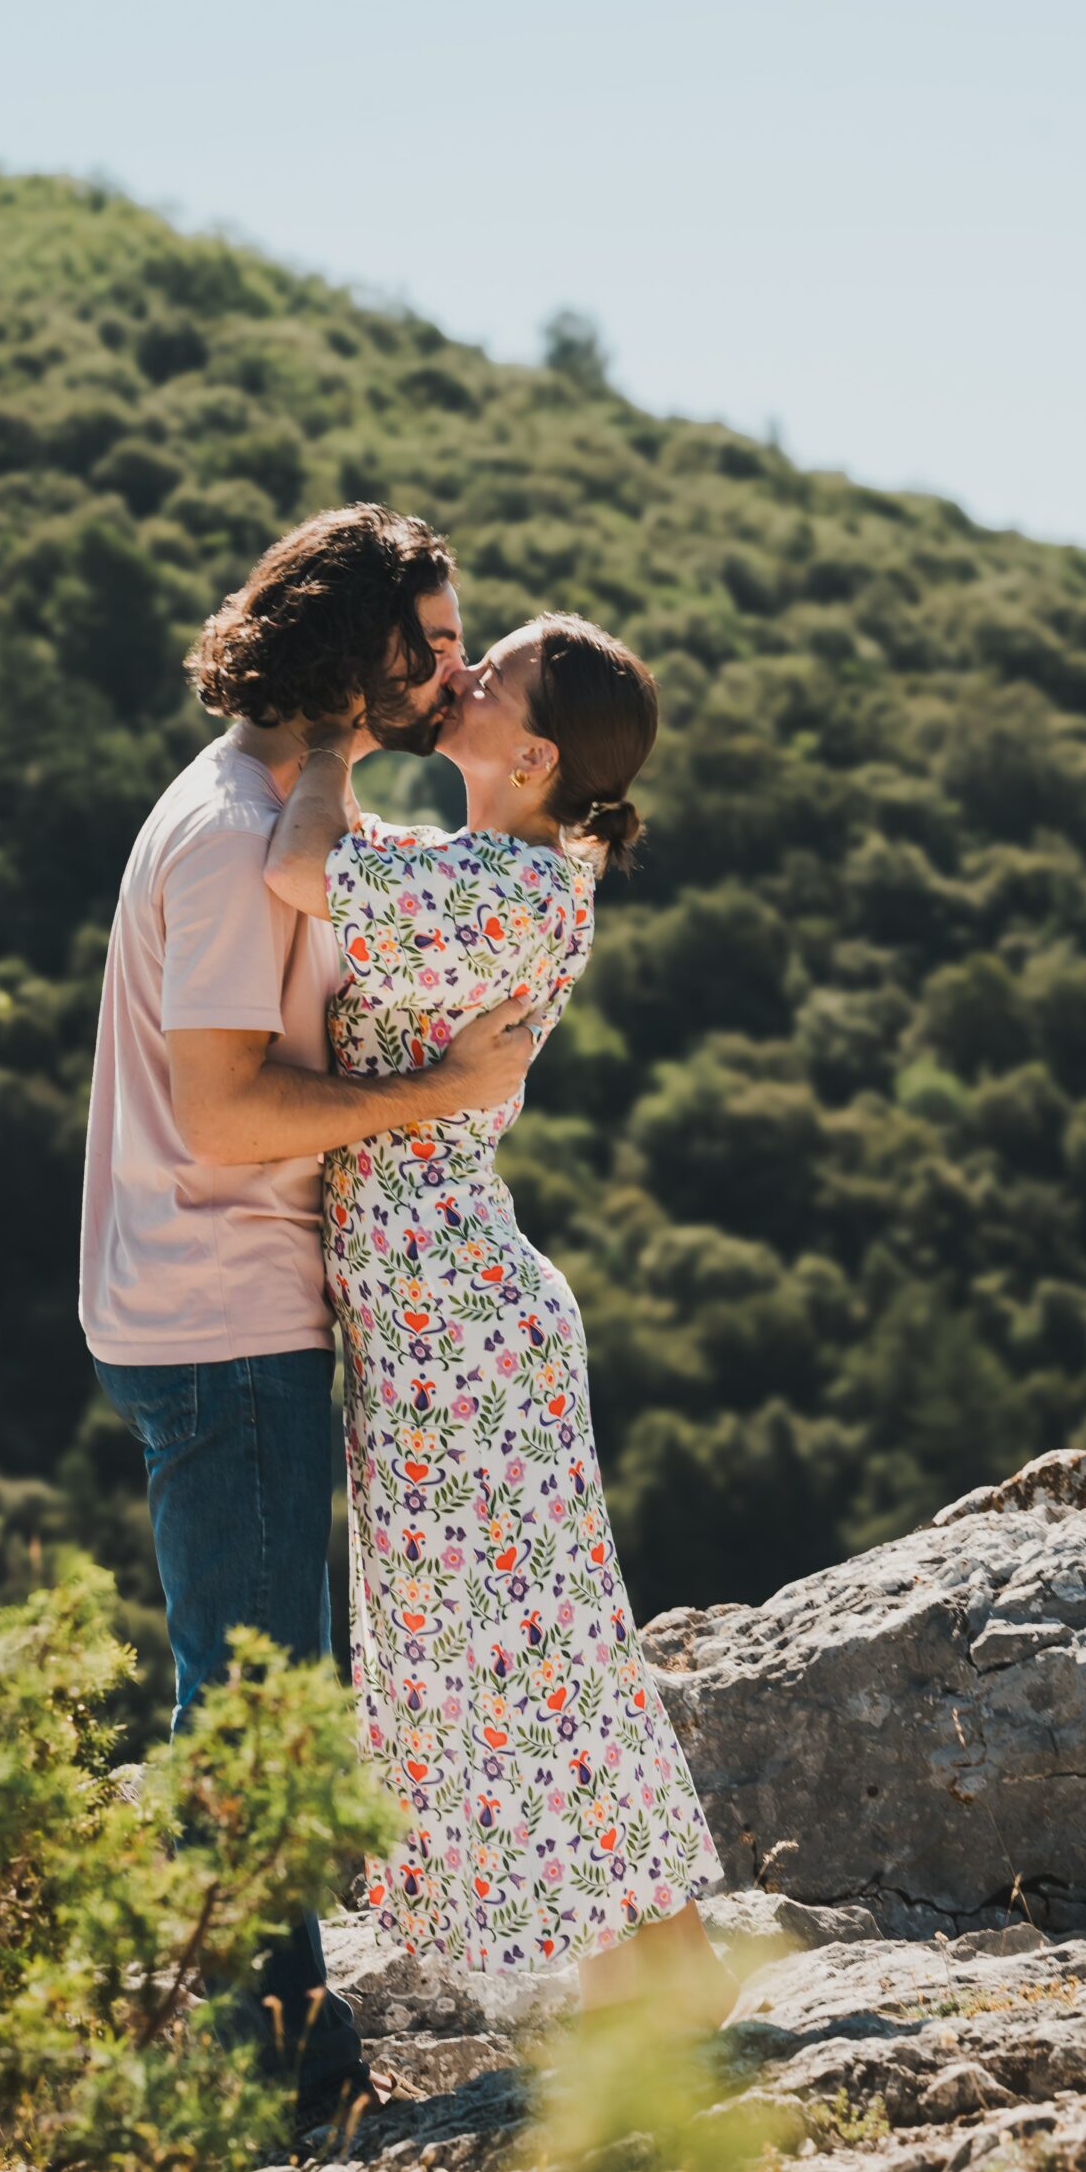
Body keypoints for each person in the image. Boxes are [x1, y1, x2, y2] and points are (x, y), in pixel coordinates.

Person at [77, 504, 536, 2134]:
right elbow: (220, 1111)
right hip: (218, 1306)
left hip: (210, 1300)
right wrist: (436, 1093)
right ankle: (275, 2067)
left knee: (252, 1677)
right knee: (262, 1694)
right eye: (429, 642)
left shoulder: (270, 802)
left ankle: (261, 2034)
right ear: (355, 653)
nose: (454, 666)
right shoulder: (225, 837)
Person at [264, 611, 733, 2028]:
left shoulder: (510, 891)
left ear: (531, 755)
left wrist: (333, 728)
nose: (462, 675)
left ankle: (648, 1979)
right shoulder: (488, 869)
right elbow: (362, 861)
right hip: (448, 1314)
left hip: (456, 1325)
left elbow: (299, 864)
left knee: (516, 1648)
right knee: (538, 1645)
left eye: (494, 671)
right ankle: (654, 1974)